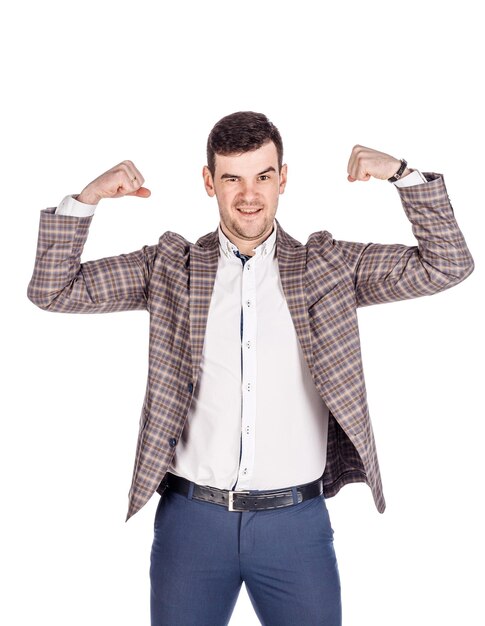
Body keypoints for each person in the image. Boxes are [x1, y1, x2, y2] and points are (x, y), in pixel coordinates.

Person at [27, 111, 474, 626]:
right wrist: (87, 199)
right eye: (232, 178)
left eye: (263, 176)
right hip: (192, 525)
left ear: (283, 178)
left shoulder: (329, 266)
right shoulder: (171, 268)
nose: (249, 194)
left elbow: (448, 264)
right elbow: (53, 290)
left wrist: (402, 174)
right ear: (208, 181)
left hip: (296, 528)